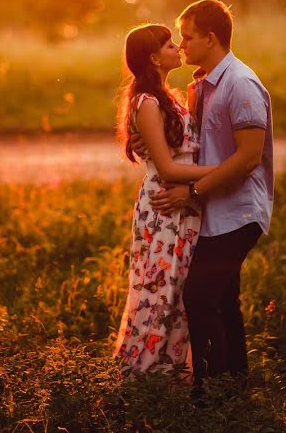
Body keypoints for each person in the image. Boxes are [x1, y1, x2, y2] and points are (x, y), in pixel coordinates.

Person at [139, 0, 274, 392]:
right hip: (212, 210)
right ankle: (235, 386)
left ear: (211, 38)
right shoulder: (202, 85)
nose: (182, 46)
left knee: (198, 296)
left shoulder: (241, 84)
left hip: (238, 212)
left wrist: (192, 191)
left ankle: (210, 392)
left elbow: (248, 158)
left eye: (188, 37)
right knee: (223, 298)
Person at [113, 23, 218, 377]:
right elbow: (169, 168)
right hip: (164, 208)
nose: (178, 49)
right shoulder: (145, 102)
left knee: (178, 294)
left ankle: (173, 375)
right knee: (159, 293)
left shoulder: (167, 97)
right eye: (170, 45)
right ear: (155, 58)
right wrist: (225, 171)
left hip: (182, 207)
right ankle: (143, 375)